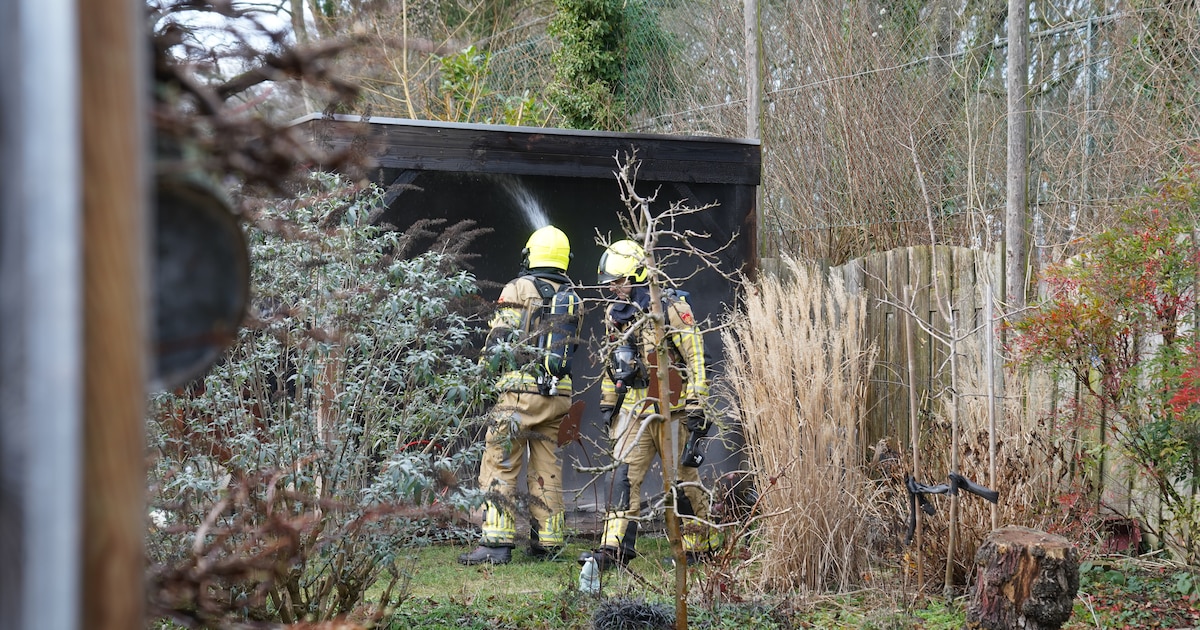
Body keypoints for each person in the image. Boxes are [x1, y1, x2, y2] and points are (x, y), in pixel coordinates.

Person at [580, 239, 720, 571]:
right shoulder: (615, 314)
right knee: (621, 476)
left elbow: (697, 357)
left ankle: (702, 543)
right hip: (634, 407)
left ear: (639, 274)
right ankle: (612, 549)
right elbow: (612, 362)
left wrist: (698, 403)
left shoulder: (670, 307)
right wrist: (608, 401)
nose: (613, 289)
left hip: (673, 408)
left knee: (681, 480)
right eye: (611, 283)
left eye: (619, 281)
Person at [459, 225, 583, 565]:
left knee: (501, 460)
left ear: (531, 253)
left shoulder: (519, 288)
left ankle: (495, 544)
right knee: (548, 467)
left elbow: (500, 337)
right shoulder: (573, 297)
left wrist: (482, 378)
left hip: (520, 395)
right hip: (558, 398)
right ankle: (549, 541)